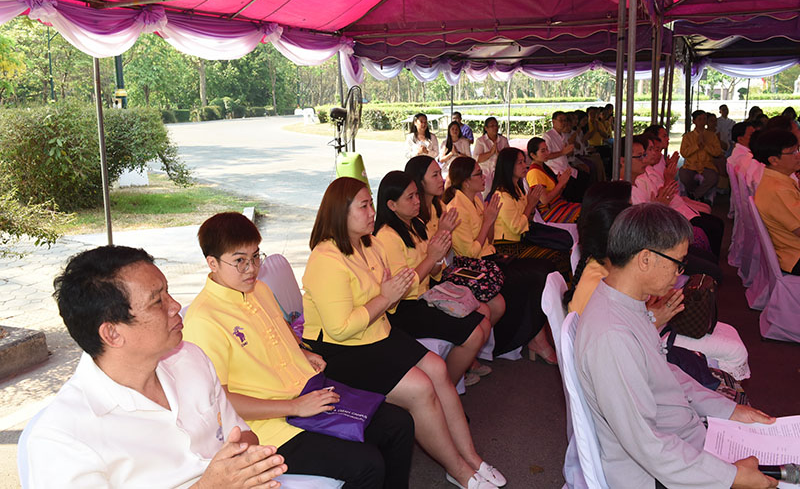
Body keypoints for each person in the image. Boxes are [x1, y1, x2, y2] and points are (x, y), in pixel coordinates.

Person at [183, 212, 416, 488]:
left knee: (399, 424)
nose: (251, 268)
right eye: (239, 261)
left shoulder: (258, 289)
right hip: (269, 426)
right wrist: (295, 406)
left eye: (256, 257)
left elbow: (279, 328)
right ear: (212, 263)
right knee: (368, 464)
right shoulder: (204, 319)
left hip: (306, 392)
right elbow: (221, 401)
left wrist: (302, 352)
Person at [24, 246, 288, 488]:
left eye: (167, 292)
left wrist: (240, 465)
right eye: (157, 302)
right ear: (112, 334)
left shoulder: (190, 359)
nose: (175, 307)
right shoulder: (62, 436)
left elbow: (242, 433)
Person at [302, 177, 506, 489]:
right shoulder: (326, 259)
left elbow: (392, 301)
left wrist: (392, 293)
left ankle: (471, 457)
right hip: (341, 352)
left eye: (371, 204)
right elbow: (340, 329)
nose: (372, 212)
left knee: (437, 368)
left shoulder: (369, 245)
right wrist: (386, 296)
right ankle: (458, 470)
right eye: (364, 206)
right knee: (421, 388)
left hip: (376, 332)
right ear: (341, 212)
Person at [574, 203, 777, 489]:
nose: (679, 273)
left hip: (681, 441)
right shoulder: (612, 335)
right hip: (657, 473)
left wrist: (728, 410)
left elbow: (664, 373)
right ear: (645, 259)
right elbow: (646, 444)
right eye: (677, 263)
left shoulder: (627, 305)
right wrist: (732, 477)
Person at [373, 171, 491, 385]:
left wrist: (439, 248)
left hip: (426, 296)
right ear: (392, 205)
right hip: (404, 308)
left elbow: (436, 271)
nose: (417, 201)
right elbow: (402, 287)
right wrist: (431, 257)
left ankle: (452, 381)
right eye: (410, 197)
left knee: (482, 316)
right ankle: (448, 386)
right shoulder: (387, 236)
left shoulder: (416, 225)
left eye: (416, 195)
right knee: (474, 334)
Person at [444, 156, 558, 362]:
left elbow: (489, 241)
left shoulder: (476, 200)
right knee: (537, 274)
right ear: (466, 182)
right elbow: (470, 254)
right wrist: (488, 222)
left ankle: (535, 337)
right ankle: (531, 339)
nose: (484, 176)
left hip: (491, 256)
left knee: (545, 269)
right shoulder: (456, 208)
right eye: (479, 173)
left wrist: (490, 220)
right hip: (475, 267)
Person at [404, 155, 507, 327]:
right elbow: (464, 254)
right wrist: (442, 232)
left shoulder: (440, 207)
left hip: (443, 270)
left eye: (440, 173)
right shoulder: (419, 216)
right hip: (432, 278)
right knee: (494, 305)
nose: (442, 179)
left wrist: (490, 221)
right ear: (420, 181)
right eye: (435, 175)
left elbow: (489, 242)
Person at [488, 147, 573, 279]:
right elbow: (517, 228)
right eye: (520, 162)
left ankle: (563, 286)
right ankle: (556, 289)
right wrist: (530, 205)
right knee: (556, 256)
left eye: (524, 161)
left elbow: (527, 218)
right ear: (508, 166)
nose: (525, 165)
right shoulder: (503, 195)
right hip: (507, 245)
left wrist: (531, 208)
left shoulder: (517, 188)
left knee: (563, 249)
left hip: (523, 237)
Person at [752, 128, 800, 274]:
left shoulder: (776, 180)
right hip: (795, 255)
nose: (798, 155)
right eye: (793, 152)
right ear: (774, 160)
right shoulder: (779, 189)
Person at [525, 137, 581, 223]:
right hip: (550, 212)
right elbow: (544, 200)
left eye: (547, 149)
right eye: (543, 151)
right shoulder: (534, 172)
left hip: (558, 204)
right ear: (533, 155)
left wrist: (562, 185)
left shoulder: (544, 167)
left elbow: (556, 194)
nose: (547, 153)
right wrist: (560, 184)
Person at [542, 111, 589, 201]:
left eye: (565, 120)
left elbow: (567, 153)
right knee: (575, 186)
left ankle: (579, 204)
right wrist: (563, 152)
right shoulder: (548, 136)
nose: (563, 123)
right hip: (556, 169)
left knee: (584, 177)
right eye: (561, 120)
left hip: (566, 167)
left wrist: (569, 151)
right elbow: (546, 156)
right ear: (553, 122)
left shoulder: (563, 135)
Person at [680, 110, 722, 202]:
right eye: (699, 119)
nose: (702, 121)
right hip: (691, 165)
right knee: (683, 175)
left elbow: (717, 152)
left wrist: (705, 146)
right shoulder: (687, 136)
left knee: (713, 177)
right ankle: (696, 193)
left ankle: (695, 195)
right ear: (694, 121)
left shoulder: (712, 135)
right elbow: (684, 153)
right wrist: (697, 146)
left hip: (707, 165)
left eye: (704, 119)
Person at [472, 116, 509, 199]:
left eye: (496, 125)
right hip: (485, 174)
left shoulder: (503, 140)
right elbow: (476, 159)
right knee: (485, 195)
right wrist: (491, 153)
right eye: (492, 126)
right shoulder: (481, 141)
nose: (495, 128)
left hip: (500, 173)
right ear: (486, 128)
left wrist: (499, 154)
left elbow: (508, 158)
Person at [728, 121, 764, 191]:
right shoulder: (744, 158)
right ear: (740, 139)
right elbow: (754, 185)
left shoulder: (741, 153)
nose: (755, 137)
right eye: (751, 135)